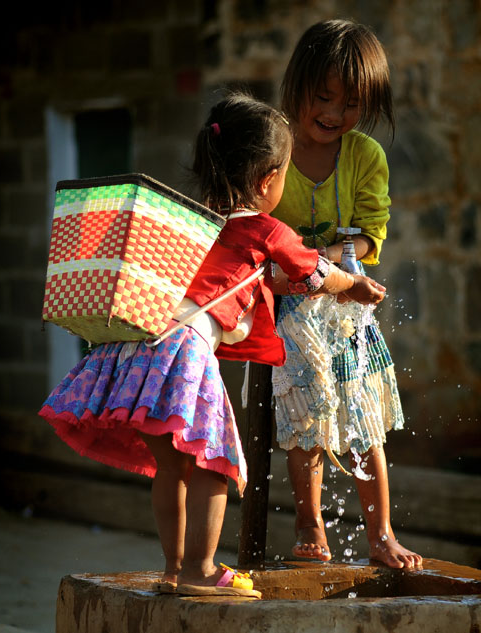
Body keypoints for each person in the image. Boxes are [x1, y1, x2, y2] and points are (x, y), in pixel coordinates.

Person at [38, 90, 386, 596]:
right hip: (183, 355)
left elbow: (250, 282)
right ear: (269, 180)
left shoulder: (193, 224)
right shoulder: (266, 229)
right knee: (213, 462)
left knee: (172, 468)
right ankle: (202, 569)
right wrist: (353, 285)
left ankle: (175, 570)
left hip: (136, 350)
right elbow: (316, 271)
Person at [271, 19, 422, 569]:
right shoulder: (275, 146)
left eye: (352, 104)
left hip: (346, 304)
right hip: (288, 311)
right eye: (323, 97)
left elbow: (370, 234)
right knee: (305, 424)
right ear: (297, 86)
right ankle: (311, 526)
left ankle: (381, 534)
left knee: (362, 421)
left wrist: (322, 261)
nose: (335, 113)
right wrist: (293, 270)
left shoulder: (364, 158)